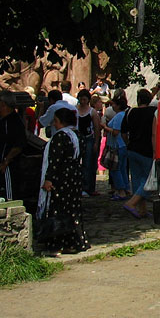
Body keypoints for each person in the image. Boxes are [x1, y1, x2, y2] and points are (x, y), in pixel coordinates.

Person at [36, 107, 89, 254]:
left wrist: (48, 179)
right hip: (74, 176)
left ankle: (57, 244)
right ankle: (74, 242)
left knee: (58, 210)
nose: (54, 124)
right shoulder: (78, 136)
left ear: (61, 122)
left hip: (61, 177)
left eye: (56, 121)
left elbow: (55, 160)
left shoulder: (60, 137)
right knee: (72, 209)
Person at [121, 88, 156, 218]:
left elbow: (123, 131)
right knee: (149, 181)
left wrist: (127, 143)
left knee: (136, 180)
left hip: (132, 148)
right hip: (147, 150)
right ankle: (131, 203)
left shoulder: (130, 112)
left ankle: (142, 209)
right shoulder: (153, 112)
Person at [102, 93, 131, 199]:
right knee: (122, 168)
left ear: (118, 105)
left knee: (115, 169)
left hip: (117, 145)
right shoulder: (124, 114)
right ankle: (126, 188)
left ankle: (121, 190)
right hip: (122, 145)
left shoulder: (119, 116)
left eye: (113, 104)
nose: (112, 106)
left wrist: (105, 126)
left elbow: (115, 132)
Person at [75, 89, 102, 196]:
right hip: (78, 138)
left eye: (84, 99)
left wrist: (96, 142)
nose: (82, 101)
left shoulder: (92, 112)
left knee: (88, 163)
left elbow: (96, 128)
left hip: (89, 138)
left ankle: (88, 186)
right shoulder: (75, 110)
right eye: (81, 99)